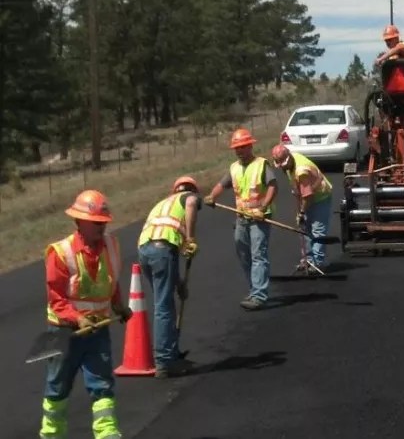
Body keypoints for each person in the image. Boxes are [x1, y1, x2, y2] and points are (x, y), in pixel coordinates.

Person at [40, 189, 133, 438]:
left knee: (102, 386)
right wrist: (77, 318)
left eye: (103, 223)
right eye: (95, 223)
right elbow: (57, 300)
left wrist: (119, 306)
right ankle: (51, 434)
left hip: (98, 329)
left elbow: (111, 281)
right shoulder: (61, 253)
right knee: (57, 387)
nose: (101, 228)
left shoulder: (111, 246)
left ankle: (108, 434)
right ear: (79, 222)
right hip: (64, 332)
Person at [204, 128, 278, 310]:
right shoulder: (234, 168)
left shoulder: (262, 164)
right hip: (242, 218)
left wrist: (263, 207)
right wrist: (212, 196)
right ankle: (254, 289)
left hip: (259, 218)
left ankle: (259, 295)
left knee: (258, 254)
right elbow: (222, 184)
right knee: (244, 254)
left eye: (243, 147)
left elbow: (272, 187)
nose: (240, 151)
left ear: (250, 146)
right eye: (237, 148)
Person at [137, 175, 201, 378]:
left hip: (145, 250)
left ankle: (171, 352)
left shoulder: (163, 203)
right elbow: (191, 204)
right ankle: (164, 361)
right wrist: (190, 239)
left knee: (164, 302)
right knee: (164, 307)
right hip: (162, 249)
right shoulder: (189, 197)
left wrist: (179, 283)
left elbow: (168, 232)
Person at [271, 144, 333, 274]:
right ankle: (308, 260)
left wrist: (302, 213)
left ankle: (318, 264)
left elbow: (308, 196)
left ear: (288, 157)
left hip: (320, 196)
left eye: (283, 164)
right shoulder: (291, 163)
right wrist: (300, 213)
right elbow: (299, 191)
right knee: (304, 229)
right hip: (308, 195)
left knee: (317, 231)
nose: (282, 167)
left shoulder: (301, 170)